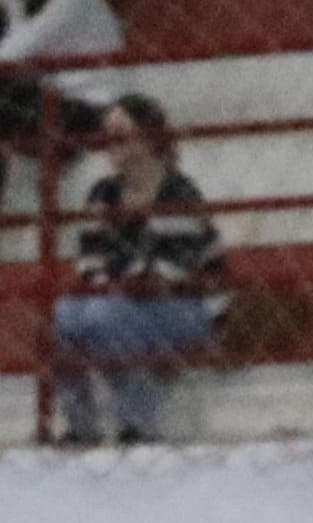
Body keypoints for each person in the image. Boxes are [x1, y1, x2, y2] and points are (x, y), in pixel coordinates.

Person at [45, 93, 221, 446]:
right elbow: (90, 263)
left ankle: (139, 423)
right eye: (107, 135)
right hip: (124, 296)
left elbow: (172, 270)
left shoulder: (178, 191)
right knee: (64, 315)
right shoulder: (103, 193)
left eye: (121, 133)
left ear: (148, 137)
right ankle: (81, 426)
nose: (111, 143)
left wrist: (118, 279)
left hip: (185, 305)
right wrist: (114, 280)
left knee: (105, 315)